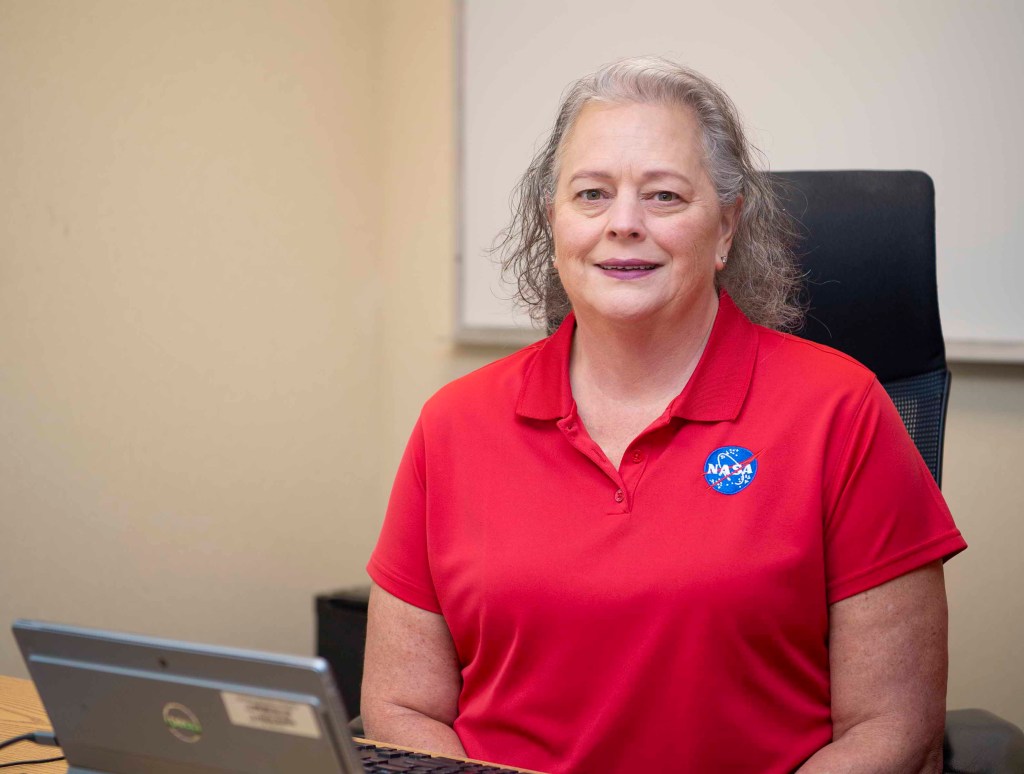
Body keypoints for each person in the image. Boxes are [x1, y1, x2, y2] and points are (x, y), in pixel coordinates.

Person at [361, 57, 966, 774]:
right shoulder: (454, 424)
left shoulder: (843, 410)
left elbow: (892, 728)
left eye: (665, 197)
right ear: (553, 223)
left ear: (726, 229)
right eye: (591, 194)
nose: (623, 224)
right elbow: (403, 710)